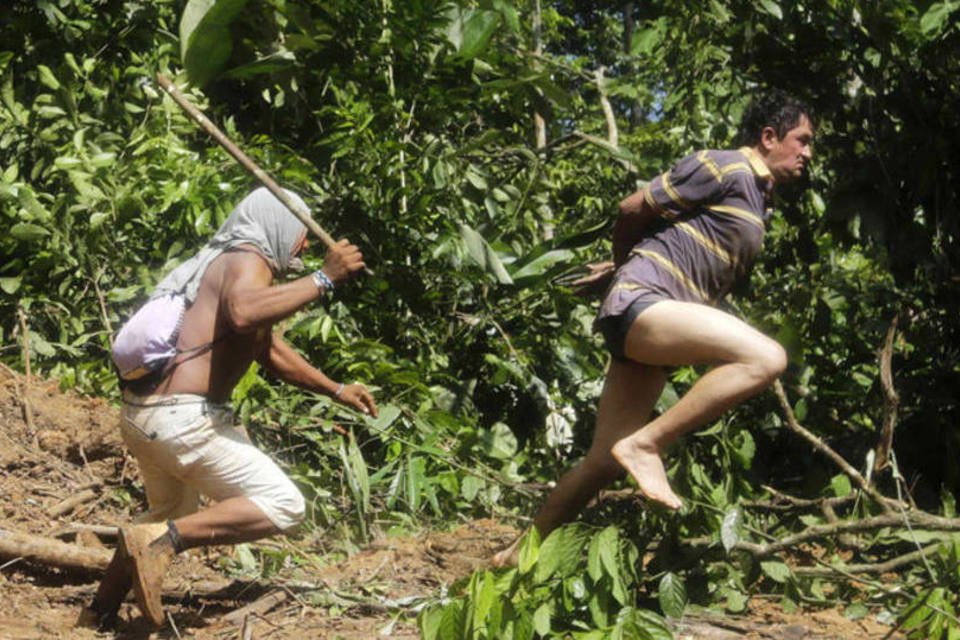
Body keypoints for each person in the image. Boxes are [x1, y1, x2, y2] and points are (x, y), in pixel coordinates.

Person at [493, 91, 814, 566]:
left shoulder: (756, 199)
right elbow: (631, 209)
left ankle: (513, 557)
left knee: (601, 462)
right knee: (767, 358)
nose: (808, 154)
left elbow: (683, 245)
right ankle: (647, 444)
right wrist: (624, 268)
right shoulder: (726, 167)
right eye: (802, 141)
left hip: (653, 323)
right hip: (644, 305)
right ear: (769, 138)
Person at [79, 187, 379, 628]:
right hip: (180, 421)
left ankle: (97, 613)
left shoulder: (221, 264)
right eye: (302, 233)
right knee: (284, 503)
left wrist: (336, 390)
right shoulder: (247, 260)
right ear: (278, 226)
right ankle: (163, 542)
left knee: (162, 516)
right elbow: (242, 314)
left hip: (144, 418)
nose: (305, 244)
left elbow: (268, 350)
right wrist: (323, 278)